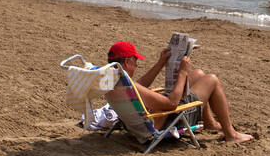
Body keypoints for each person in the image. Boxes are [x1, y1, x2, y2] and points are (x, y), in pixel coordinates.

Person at [107, 40, 254, 144]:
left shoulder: (112, 81)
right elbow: (172, 103)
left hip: (141, 122)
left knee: (198, 74)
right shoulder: (128, 85)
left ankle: (210, 123)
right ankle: (231, 134)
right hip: (167, 122)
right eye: (135, 61)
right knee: (211, 80)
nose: (137, 64)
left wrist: (160, 63)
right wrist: (182, 73)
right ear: (127, 62)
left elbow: (138, 86)